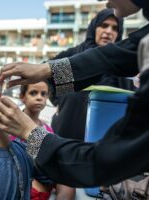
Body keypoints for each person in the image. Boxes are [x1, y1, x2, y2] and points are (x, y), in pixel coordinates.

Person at [0, 0, 149, 187]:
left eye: (114, 28)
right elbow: (107, 59)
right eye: (103, 25)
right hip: (71, 139)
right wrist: (48, 72)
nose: (102, 2)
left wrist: (29, 133)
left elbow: (96, 163)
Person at [50, 8, 129, 141]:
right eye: (104, 25)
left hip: (103, 138)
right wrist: (62, 99)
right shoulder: (74, 55)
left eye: (115, 28)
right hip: (66, 131)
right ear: (94, 28)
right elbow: (47, 76)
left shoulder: (123, 64)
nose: (109, 31)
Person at [17, 81, 76, 200]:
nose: (39, 97)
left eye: (43, 94)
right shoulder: (14, 125)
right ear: (22, 97)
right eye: (33, 93)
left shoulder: (47, 129)